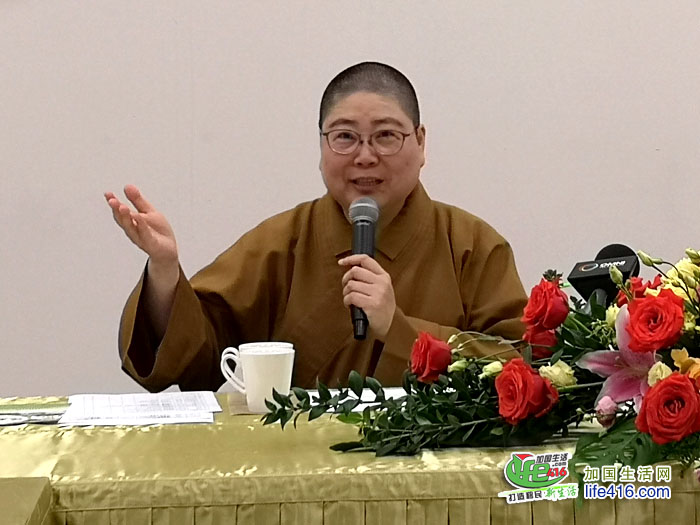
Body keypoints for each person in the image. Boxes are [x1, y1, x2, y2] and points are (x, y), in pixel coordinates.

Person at [105, 61, 528, 392]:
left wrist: (398, 329)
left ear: (420, 143)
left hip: (435, 464)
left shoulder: (472, 245)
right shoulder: (281, 242)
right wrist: (165, 271)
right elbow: (199, 354)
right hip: (297, 466)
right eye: (344, 137)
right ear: (322, 146)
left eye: (386, 136)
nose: (365, 156)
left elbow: (522, 365)